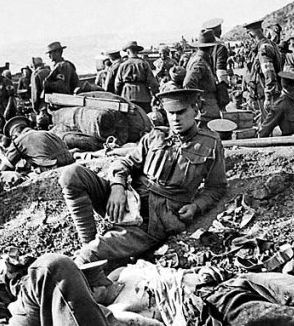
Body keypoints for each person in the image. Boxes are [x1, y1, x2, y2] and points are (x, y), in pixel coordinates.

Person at [58, 88, 227, 299]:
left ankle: (85, 269)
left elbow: (217, 186)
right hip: (129, 202)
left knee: (87, 255)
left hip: (155, 220)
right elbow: (125, 163)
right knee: (72, 174)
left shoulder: (209, 144)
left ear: (195, 110)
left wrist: (196, 206)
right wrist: (118, 187)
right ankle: (90, 243)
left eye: (181, 112)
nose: (175, 118)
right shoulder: (155, 137)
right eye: (170, 113)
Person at [243, 20, 284, 125]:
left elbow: (269, 74)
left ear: (251, 35)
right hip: (274, 91)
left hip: (267, 94)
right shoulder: (271, 44)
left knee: (268, 125)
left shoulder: (263, 49)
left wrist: (268, 97)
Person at [2, 116, 73, 171]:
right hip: (69, 161)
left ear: (15, 135)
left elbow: (7, 165)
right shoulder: (48, 133)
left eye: (13, 137)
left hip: (52, 167)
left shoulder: (19, 140)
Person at [183, 30, 222, 127]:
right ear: (211, 48)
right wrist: (197, 103)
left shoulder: (200, 59)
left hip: (208, 106)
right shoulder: (199, 62)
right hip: (206, 109)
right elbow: (188, 83)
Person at [115, 41, 159, 113]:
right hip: (143, 95)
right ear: (137, 52)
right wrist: (155, 94)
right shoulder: (144, 63)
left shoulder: (123, 65)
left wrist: (119, 95)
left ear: (128, 52)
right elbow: (152, 81)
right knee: (145, 117)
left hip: (127, 95)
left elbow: (117, 83)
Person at [202, 18, 230, 85]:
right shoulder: (220, 47)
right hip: (217, 83)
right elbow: (221, 71)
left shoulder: (204, 46)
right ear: (220, 31)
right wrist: (224, 85)